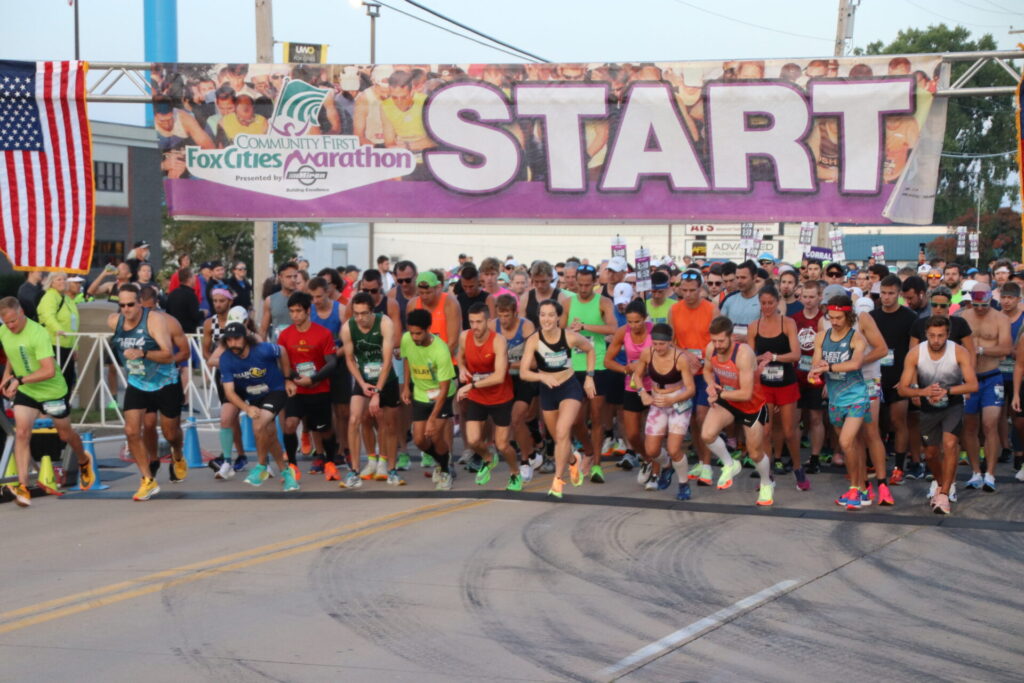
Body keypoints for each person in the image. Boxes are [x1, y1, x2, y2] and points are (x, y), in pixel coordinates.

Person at [0, 297, 94, 507]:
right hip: (27, 391)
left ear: (21, 312)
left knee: (65, 434)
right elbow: (11, 356)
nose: (11, 326)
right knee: (22, 433)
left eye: (13, 321)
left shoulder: (38, 333)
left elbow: (49, 371)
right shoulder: (4, 332)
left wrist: (19, 379)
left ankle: (82, 460)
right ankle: (23, 486)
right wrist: (7, 376)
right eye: (6, 323)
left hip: (52, 390)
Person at [108, 284, 186, 501]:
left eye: (130, 304)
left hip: (165, 382)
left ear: (140, 302)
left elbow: (168, 354)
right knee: (132, 431)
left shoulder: (156, 320)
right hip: (138, 383)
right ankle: (147, 480)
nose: (126, 309)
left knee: (171, 434)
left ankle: (177, 455)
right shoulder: (114, 322)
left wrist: (142, 353)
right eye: (121, 305)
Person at [899, 316, 978, 514]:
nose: (936, 340)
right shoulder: (915, 354)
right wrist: (922, 392)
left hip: (953, 405)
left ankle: (943, 494)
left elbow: (973, 384)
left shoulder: (959, 352)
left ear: (948, 335)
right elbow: (903, 389)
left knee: (950, 444)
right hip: (928, 408)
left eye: (940, 336)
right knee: (931, 453)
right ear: (926, 334)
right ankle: (942, 482)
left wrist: (948, 391)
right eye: (932, 335)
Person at [519, 299, 597, 499]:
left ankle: (558, 480)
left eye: (551, 315)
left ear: (558, 318)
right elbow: (524, 373)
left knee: (563, 432)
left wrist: (589, 377)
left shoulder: (570, 337)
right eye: (543, 315)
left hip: (569, 387)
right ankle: (572, 460)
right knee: (558, 438)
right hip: (547, 390)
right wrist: (542, 376)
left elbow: (590, 349)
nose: (546, 319)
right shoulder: (534, 340)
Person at [701, 316, 774, 506]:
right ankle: (730, 463)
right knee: (707, 435)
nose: (717, 345)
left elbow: (746, 394)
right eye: (714, 340)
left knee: (755, 453)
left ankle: (767, 482)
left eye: (721, 341)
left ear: (731, 337)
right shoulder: (711, 349)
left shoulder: (743, 354)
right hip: (727, 398)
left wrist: (719, 394)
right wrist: (711, 385)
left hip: (751, 405)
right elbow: (707, 371)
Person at [808, 295, 870, 510]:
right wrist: (816, 371)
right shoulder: (821, 337)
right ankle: (862, 488)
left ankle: (854, 488)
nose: (834, 322)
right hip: (835, 398)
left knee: (845, 443)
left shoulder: (856, 338)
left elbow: (856, 363)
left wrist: (829, 368)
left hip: (856, 396)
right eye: (831, 317)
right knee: (855, 444)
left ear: (849, 316)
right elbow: (815, 364)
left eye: (839, 318)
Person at [218, 322, 297, 491]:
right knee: (269, 434)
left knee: (259, 423)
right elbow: (229, 392)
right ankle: (286, 474)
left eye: (237, 339)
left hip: (275, 391)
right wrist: (246, 408)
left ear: (245, 338)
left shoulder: (262, 349)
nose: (233, 343)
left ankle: (261, 466)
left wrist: (288, 378)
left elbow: (282, 351)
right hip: (253, 397)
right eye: (229, 340)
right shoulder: (225, 358)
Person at [456, 303, 522, 491]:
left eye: (479, 322)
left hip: (500, 396)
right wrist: (462, 369)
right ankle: (487, 458)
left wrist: (471, 385)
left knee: (502, 445)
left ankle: (515, 473)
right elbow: (460, 356)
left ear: (488, 321)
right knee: (473, 440)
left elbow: (500, 376)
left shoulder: (497, 341)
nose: (475, 326)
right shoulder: (464, 336)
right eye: (471, 322)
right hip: (478, 395)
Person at [562, 263, 616, 482]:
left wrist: (584, 327)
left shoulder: (603, 302)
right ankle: (589, 451)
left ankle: (597, 466)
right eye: (580, 285)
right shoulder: (567, 303)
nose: (583, 289)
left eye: (587, 285)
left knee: (596, 417)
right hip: (574, 367)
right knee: (575, 419)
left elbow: (613, 327)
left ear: (594, 283)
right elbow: (559, 330)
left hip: (598, 366)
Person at [342, 292, 402, 489]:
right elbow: (350, 359)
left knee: (389, 423)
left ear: (372, 311)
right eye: (356, 313)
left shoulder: (385, 323)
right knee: (355, 418)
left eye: (364, 313)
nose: (360, 318)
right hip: (364, 378)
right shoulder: (348, 328)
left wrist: (377, 392)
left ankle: (390, 468)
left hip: (386, 379)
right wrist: (360, 382)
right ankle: (354, 471)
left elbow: (387, 361)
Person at [748, 285, 806, 489]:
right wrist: (759, 360)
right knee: (765, 431)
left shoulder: (787, 323)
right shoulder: (754, 326)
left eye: (770, 303)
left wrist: (774, 357)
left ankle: (798, 468)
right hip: (764, 385)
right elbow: (749, 357)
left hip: (786, 383)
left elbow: (796, 355)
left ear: (777, 302)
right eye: (763, 303)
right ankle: (767, 475)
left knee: (789, 431)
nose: (766, 307)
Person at [277, 292, 339, 481]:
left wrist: (313, 379)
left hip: (319, 389)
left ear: (308, 311)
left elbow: (332, 362)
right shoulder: (285, 335)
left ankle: (330, 463)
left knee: (324, 428)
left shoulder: (323, 334)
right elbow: (281, 362)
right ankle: (293, 466)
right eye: (292, 311)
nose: (295, 315)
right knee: (289, 425)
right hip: (297, 389)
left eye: (298, 311)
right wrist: (293, 378)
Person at [633, 323, 696, 500]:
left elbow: (691, 389)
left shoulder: (680, 358)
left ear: (670, 342)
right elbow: (637, 375)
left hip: (678, 400)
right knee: (651, 450)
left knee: (674, 448)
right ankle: (667, 466)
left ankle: (683, 483)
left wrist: (673, 399)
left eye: (662, 344)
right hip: (657, 400)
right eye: (655, 344)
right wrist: (642, 393)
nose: (658, 348)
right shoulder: (648, 353)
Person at [957, 283, 1011, 491]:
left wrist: (980, 349)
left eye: (984, 304)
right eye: (976, 304)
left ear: (991, 300)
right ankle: (975, 472)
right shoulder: (963, 317)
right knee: (970, 426)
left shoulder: (1000, 319)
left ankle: (990, 474)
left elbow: (1006, 348)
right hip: (969, 378)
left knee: (990, 424)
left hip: (992, 376)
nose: (980, 308)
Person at [401, 308, 458, 490]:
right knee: (419, 440)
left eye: (418, 333)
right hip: (420, 394)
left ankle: (445, 471)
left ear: (428, 329)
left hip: (441, 396)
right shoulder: (406, 340)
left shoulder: (440, 350)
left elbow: (444, 388)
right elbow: (408, 359)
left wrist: (433, 419)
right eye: (412, 333)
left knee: (434, 435)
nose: (415, 337)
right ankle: (443, 460)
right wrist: (406, 386)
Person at [669, 270, 717, 485]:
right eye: (684, 290)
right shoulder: (674, 309)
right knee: (693, 422)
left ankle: (707, 466)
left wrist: (706, 359)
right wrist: (685, 354)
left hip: (706, 371)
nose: (688, 295)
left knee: (703, 416)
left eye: (692, 290)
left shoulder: (711, 309)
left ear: (701, 289)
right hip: (684, 372)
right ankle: (700, 459)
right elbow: (670, 341)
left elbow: (719, 341)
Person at [871, 275, 919, 484]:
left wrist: (908, 378)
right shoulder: (871, 317)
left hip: (900, 377)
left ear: (899, 294)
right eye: (883, 293)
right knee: (876, 424)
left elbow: (914, 351)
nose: (887, 297)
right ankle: (876, 463)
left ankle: (899, 465)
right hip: (875, 378)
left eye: (891, 293)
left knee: (898, 420)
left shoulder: (910, 317)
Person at [492, 294, 543, 479]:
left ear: (515, 312)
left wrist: (505, 364)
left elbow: (533, 364)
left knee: (517, 418)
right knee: (510, 423)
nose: (504, 320)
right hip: (504, 380)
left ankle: (525, 460)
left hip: (525, 378)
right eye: (500, 316)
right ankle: (532, 454)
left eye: (507, 316)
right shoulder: (493, 326)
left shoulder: (526, 326)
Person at [202, 288, 248, 477]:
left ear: (230, 302)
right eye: (215, 301)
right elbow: (207, 352)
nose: (218, 304)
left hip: (247, 374)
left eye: (222, 300)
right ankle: (231, 456)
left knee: (257, 419)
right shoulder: (210, 323)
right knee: (229, 417)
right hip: (225, 374)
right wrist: (222, 365)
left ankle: (262, 459)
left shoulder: (245, 326)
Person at [309, 276, 352, 478]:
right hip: (318, 367)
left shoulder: (340, 310)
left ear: (327, 292)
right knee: (316, 410)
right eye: (313, 297)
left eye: (319, 296)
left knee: (342, 411)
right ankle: (320, 452)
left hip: (338, 364)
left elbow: (349, 341)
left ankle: (344, 450)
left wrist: (333, 357)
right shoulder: (309, 312)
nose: (316, 300)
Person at [604, 298, 651, 474]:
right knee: (632, 434)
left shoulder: (655, 332)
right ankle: (646, 458)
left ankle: (655, 466)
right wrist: (626, 369)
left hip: (654, 385)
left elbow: (668, 356)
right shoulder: (623, 332)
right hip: (632, 386)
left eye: (638, 321)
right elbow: (608, 361)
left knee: (651, 431)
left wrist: (647, 367)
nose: (634, 326)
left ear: (645, 318)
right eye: (630, 322)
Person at [36, 272, 80, 391]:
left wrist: (75, 346)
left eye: (64, 279)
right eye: (58, 279)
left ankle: (65, 405)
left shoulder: (67, 299)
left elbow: (74, 324)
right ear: (51, 282)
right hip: (53, 344)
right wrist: (58, 329)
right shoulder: (49, 296)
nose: (62, 282)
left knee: (69, 378)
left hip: (67, 345)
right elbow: (48, 316)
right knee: (57, 379)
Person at [719, 260, 760, 343]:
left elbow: (771, 331)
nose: (739, 281)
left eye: (743, 278)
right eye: (737, 278)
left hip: (756, 352)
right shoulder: (729, 300)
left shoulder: (764, 300)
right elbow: (720, 327)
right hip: (732, 351)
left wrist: (748, 338)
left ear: (754, 277)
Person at [259, 261, 301, 341]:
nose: (293, 280)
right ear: (280, 277)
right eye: (288, 277)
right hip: (277, 349)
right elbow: (263, 330)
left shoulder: (304, 299)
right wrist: (262, 350)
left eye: (295, 276)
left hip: (299, 348)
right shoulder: (270, 300)